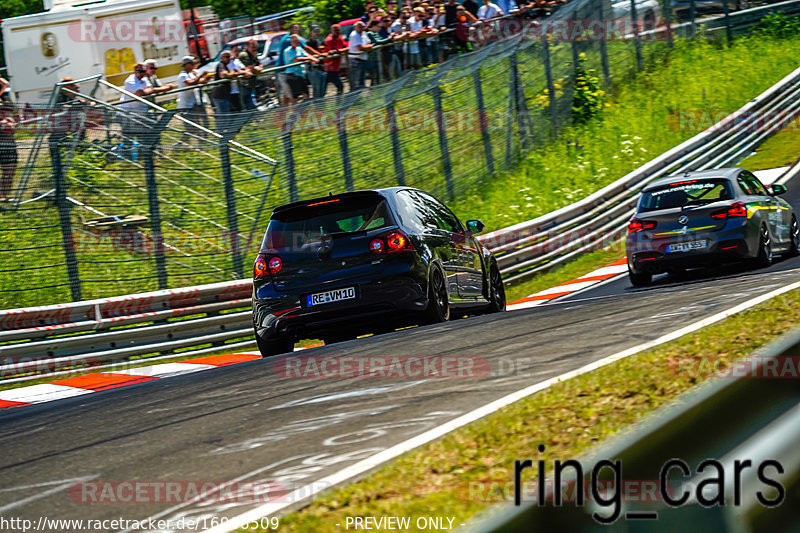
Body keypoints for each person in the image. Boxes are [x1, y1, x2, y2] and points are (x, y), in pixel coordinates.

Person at [176, 55, 210, 141]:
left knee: (197, 125)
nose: (194, 65)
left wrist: (206, 78)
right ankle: (179, 145)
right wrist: (200, 75)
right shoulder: (182, 75)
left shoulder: (191, 74)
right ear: (187, 64)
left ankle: (201, 142)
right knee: (191, 129)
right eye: (192, 64)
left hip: (192, 104)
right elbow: (190, 83)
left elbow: (198, 82)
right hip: (185, 106)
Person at [283, 34, 311, 104]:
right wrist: (310, 58)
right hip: (292, 75)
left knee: (306, 94)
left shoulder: (299, 49)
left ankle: (303, 112)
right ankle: (296, 113)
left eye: (297, 40)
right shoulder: (287, 51)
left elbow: (307, 55)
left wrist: (316, 56)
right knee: (295, 98)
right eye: (294, 40)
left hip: (301, 74)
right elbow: (297, 59)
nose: (296, 42)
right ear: (291, 42)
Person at [0, 102, 17, 202]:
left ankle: (5, 195)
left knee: (10, 172)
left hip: (10, 147)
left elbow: (12, 128)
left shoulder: (9, 118)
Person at [238, 39, 263, 109]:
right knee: (248, 107)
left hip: (251, 85)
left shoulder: (254, 54)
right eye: (252, 47)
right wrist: (256, 69)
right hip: (244, 85)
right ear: (247, 47)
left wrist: (257, 69)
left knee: (252, 106)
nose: (254, 49)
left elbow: (260, 65)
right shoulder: (244, 55)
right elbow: (250, 68)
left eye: (255, 47)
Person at [347, 21, 371, 91]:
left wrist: (367, 46)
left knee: (361, 82)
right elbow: (360, 48)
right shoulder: (354, 35)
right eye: (359, 27)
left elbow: (369, 43)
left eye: (362, 27)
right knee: (355, 83)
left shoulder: (363, 33)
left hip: (362, 60)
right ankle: (353, 100)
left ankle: (360, 99)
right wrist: (368, 47)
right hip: (355, 61)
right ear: (355, 27)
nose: (361, 28)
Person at [212, 51, 233, 129]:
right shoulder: (221, 64)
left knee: (225, 117)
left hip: (223, 95)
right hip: (220, 96)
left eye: (230, 57)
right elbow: (222, 75)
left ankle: (223, 135)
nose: (229, 59)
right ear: (222, 58)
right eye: (227, 57)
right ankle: (221, 135)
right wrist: (232, 74)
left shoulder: (225, 65)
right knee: (224, 118)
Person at [323, 24, 346, 96]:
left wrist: (339, 50)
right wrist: (340, 50)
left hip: (335, 68)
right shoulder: (329, 40)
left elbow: (345, 47)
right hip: (328, 68)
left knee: (340, 87)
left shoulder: (340, 38)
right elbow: (331, 51)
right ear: (331, 31)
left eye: (338, 30)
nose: (337, 32)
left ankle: (338, 103)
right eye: (335, 30)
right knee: (323, 89)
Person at [306, 26, 328, 99]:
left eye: (318, 31)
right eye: (315, 31)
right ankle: (317, 108)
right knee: (317, 90)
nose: (317, 33)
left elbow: (326, 50)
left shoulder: (321, 42)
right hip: (313, 69)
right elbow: (308, 54)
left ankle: (321, 107)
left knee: (323, 91)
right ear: (311, 32)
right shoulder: (308, 43)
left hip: (322, 68)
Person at [227, 45, 245, 112]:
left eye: (238, 51)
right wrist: (243, 72)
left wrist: (246, 71)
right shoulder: (228, 62)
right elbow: (234, 71)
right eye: (235, 51)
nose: (237, 53)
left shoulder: (237, 61)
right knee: (234, 110)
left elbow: (244, 69)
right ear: (231, 51)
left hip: (237, 89)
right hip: (230, 91)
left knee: (239, 108)